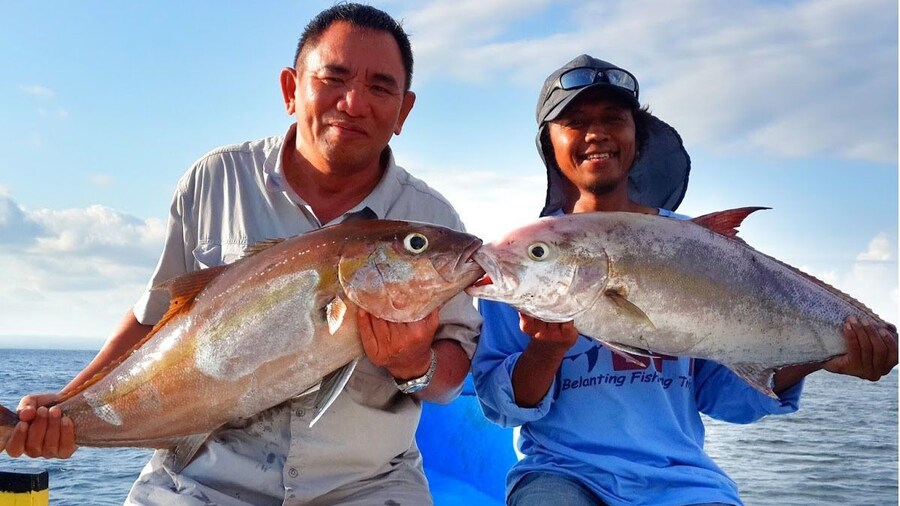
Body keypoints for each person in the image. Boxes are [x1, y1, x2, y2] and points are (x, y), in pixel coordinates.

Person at [4, 4, 481, 505]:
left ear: (404, 112)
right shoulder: (214, 181)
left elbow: (452, 377)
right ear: (291, 90)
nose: (354, 102)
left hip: (366, 484)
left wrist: (414, 363)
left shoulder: (431, 217)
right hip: (201, 479)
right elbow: (153, 319)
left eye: (380, 88)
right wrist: (64, 406)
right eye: (333, 78)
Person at [470, 54, 898, 506]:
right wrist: (546, 350)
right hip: (561, 473)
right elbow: (501, 408)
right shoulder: (521, 259)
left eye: (614, 118)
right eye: (575, 122)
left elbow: (725, 397)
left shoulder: (691, 242)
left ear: (637, 138)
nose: (596, 133)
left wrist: (827, 354)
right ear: (549, 142)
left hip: (681, 481)